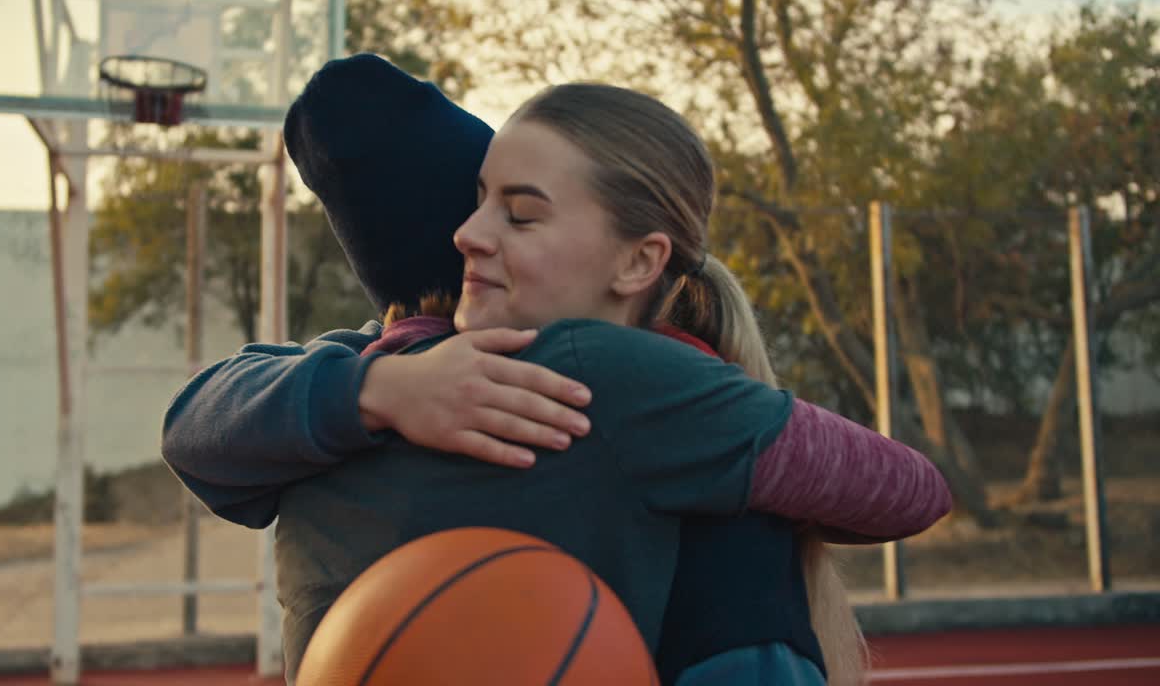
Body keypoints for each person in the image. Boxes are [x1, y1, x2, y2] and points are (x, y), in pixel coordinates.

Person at [162, 55, 951, 685]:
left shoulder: (344, 374)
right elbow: (910, 490)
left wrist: (371, 390)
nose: (467, 232)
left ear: (641, 261)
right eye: (475, 201)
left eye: (522, 212)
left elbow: (192, 427)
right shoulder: (606, 379)